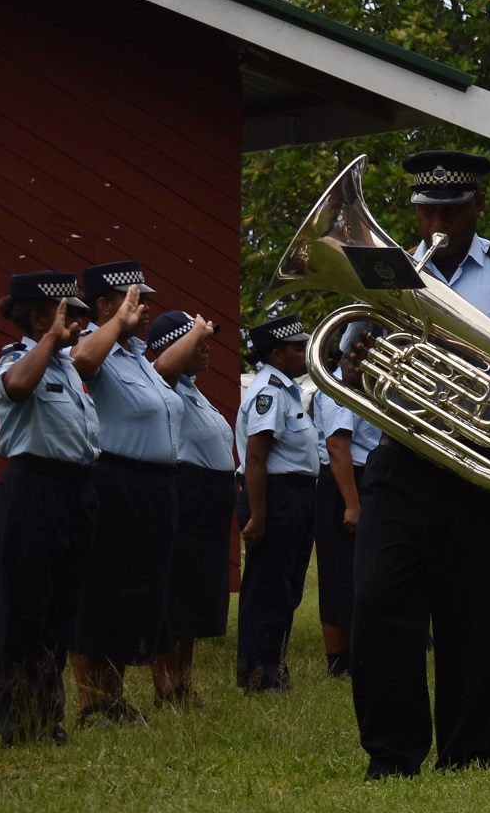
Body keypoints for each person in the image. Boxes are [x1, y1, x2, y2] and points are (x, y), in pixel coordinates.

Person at [349, 147, 490, 778]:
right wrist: (355, 362)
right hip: (400, 459)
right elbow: (353, 362)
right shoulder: (386, 270)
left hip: (479, 464)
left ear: (477, 206)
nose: (436, 222)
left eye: (450, 209)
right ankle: (391, 757)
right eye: (425, 210)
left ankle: (467, 756)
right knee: (377, 600)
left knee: (475, 618)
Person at [69, 261, 186, 723]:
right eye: (135, 298)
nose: (146, 307)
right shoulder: (93, 346)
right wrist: (116, 324)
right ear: (104, 305)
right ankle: (92, 701)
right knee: (101, 591)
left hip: (154, 487)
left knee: (136, 592)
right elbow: (82, 362)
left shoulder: (136, 353)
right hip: (115, 479)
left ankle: (113, 695)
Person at [0, 272, 111, 743]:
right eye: (70, 312)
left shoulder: (66, 365)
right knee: (25, 608)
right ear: (40, 316)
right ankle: (17, 720)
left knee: (62, 609)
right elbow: (18, 388)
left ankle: (47, 713)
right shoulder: (17, 358)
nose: (81, 321)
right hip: (35, 490)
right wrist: (48, 340)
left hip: (76, 491)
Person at [149, 309, 235, 708]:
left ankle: (183, 683)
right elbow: (161, 368)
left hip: (209, 502)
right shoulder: (162, 381)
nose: (206, 351)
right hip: (187, 494)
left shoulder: (193, 389)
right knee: (176, 595)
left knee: (196, 596)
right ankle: (166, 687)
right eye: (198, 343)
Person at [235, 312, 318, 694]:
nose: (305, 352)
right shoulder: (268, 391)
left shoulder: (287, 389)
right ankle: (257, 673)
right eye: (297, 347)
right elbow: (256, 458)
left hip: (296, 494)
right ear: (276, 355)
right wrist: (259, 514)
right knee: (267, 588)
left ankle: (272, 665)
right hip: (275, 494)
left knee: (287, 588)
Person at [313, 382, 381, 679]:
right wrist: (352, 504)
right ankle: (339, 659)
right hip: (346, 481)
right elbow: (338, 446)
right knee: (340, 570)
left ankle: (361, 650)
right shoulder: (339, 386)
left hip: (364, 477)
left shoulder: (368, 384)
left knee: (363, 569)